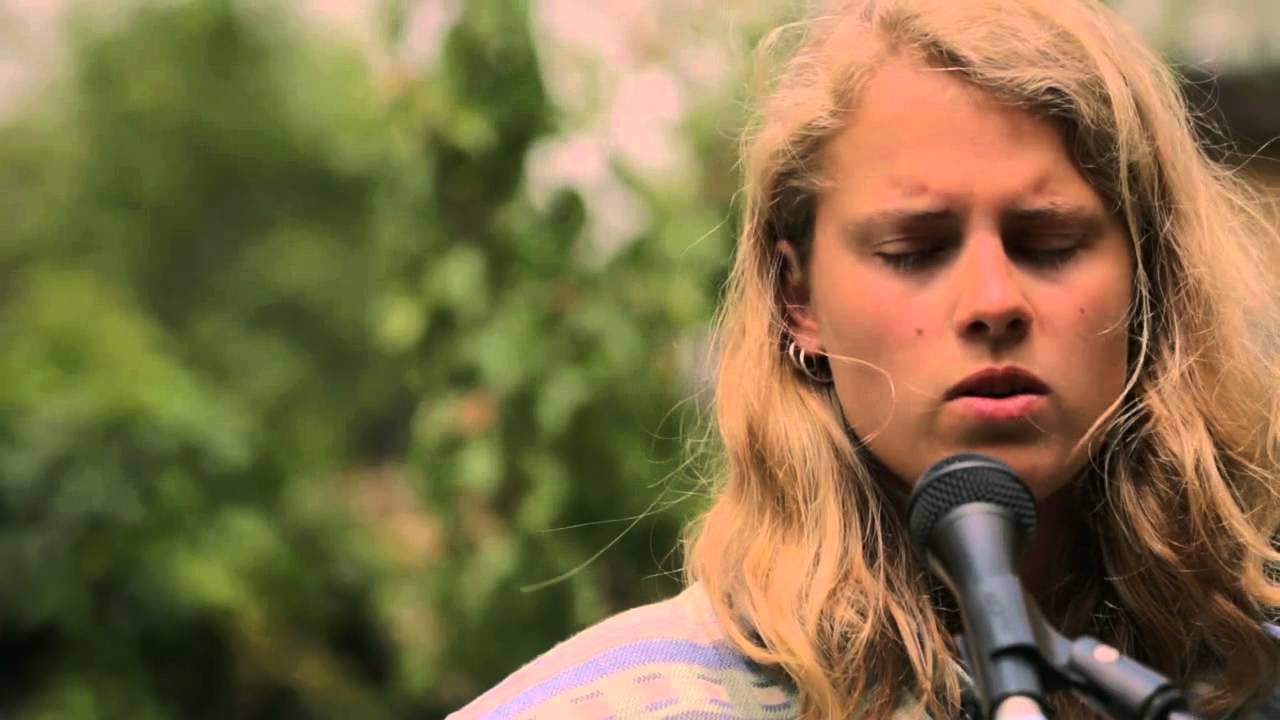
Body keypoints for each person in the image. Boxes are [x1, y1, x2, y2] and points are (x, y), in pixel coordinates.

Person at [448, 0, 1280, 717]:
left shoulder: (1253, 678)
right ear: (797, 299)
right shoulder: (631, 704)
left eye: (1049, 242)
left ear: (1149, 280)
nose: (994, 300)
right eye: (915, 249)